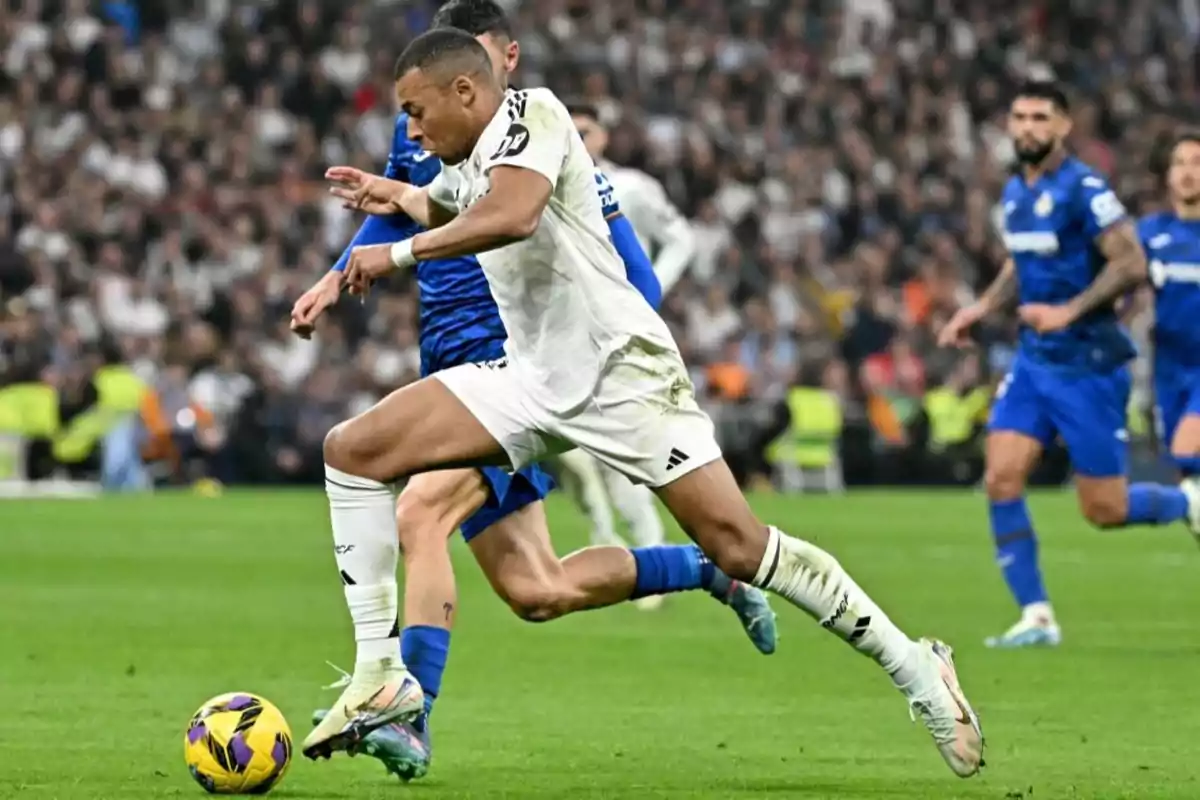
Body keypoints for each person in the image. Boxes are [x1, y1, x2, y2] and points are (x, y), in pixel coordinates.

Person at [304, 28, 985, 780]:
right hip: (527, 381)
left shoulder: (538, 116)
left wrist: (391, 254)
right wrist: (392, 197)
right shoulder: (463, 162)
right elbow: (449, 206)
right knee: (354, 451)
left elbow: (511, 215)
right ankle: (381, 675)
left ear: (466, 89)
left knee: (741, 546)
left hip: (622, 375)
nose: (412, 129)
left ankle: (916, 666)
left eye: (416, 110)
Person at [291, 0, 776, 780]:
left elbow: (631, 272)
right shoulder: (426, 132)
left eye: (478, 66)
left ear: (500, 65)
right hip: (445, 356)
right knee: (535, 589)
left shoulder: (544, 149)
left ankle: (405, 710)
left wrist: (624, 370)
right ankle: (706, 568)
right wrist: (329, 279)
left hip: (518, 364)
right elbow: (395, 214)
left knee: (418, 511)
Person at [938, 81, 1199, 650]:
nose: (1027, 127)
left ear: (1062, 127)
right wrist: (981, 308)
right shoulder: (1014, 193)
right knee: (1001, 475)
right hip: (1036, 364)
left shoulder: (1084, 188)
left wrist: (1069, 310)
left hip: (1089, 364)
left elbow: (1130, 263)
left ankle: (1189, 501)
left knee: (1103, 509)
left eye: (1040, 117)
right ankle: (1036, 615)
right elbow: (1021, 262)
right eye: (1019, 116)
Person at [1141, 131, 1200, 500]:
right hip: (1168, 367)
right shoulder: (1150, 233)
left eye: (1196, 163)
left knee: (1186, 450)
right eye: (1179, 163)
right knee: (1185, 479)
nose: (1187, 172)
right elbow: (1121, 289)